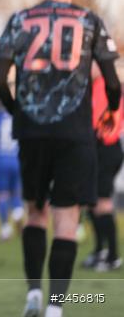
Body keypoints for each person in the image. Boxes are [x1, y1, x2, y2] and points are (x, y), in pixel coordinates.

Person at [0, 0, 120, 317]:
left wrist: (17, 111)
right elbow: (112, 80)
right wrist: (110, 109)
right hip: (75, 133)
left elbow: (0, 80)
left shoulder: (20, 20)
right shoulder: (90, 21)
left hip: (32, 132)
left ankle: (33, 293)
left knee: (35, 214)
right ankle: (55, 307)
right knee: (66, 221)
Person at [82, 72, 124, 271]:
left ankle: (113, 256)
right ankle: (101, 251)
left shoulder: (102, 85)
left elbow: (97, 121)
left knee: (101, 202)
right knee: (92, 202)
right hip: (103, 148)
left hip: (105, 148)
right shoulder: (100, 84)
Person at [0, 109, 24, 240]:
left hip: (2, 160)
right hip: (18, 159)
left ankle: (5, 228)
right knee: (16, 192)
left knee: (2, 194)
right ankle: (17, 212)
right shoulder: (21, 115)